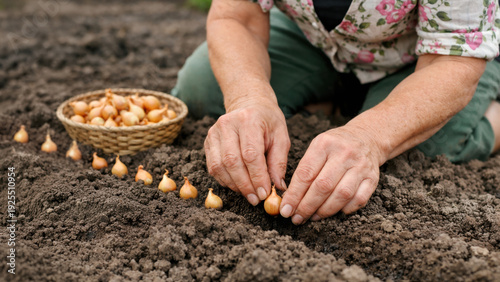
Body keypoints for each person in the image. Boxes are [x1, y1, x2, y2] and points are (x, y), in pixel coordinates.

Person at [171, 0, 500, 225]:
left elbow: (452, 60)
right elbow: (236, 17)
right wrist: (249, 98)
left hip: (428, 56)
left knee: (423, 150)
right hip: (314, 38)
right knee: (205, 91)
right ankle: (345, 100)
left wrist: (369, 138)